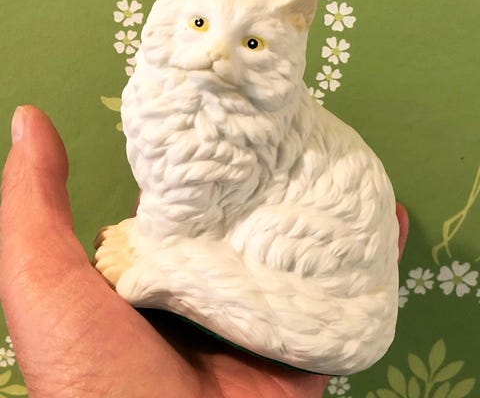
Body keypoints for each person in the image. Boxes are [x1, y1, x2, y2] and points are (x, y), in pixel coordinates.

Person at [0, 106, 409, 398]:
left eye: (253, 43)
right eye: (198, 22)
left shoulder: (257, 120)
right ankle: (164, 256)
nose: (217, 54)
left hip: (305, 252)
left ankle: (163, 264)